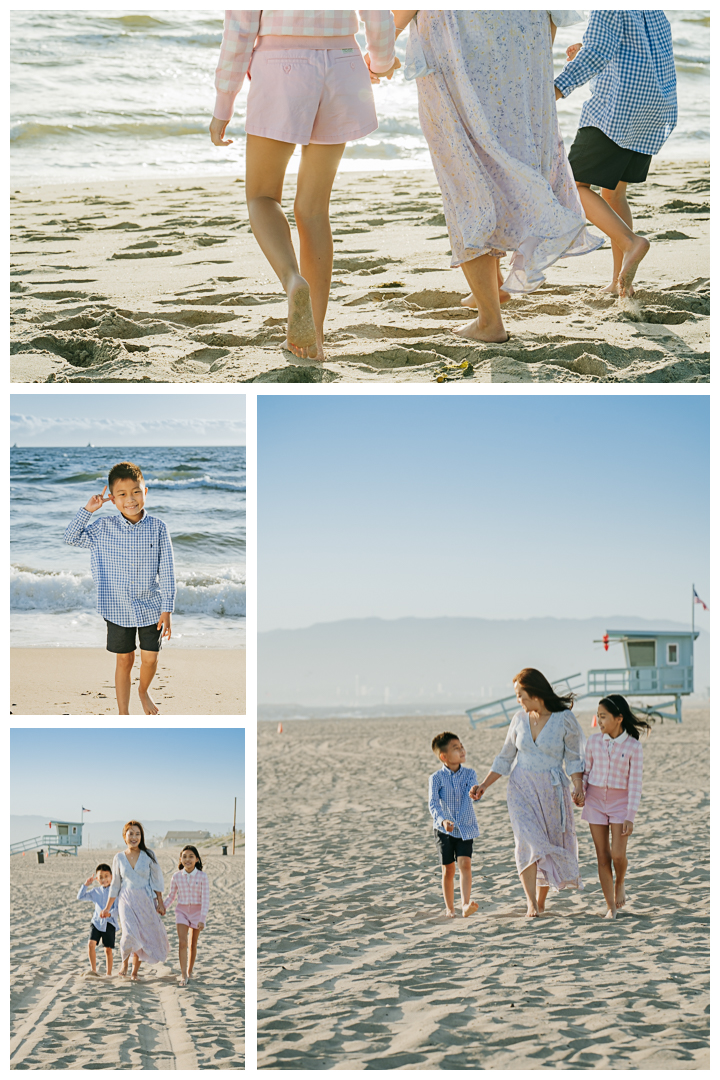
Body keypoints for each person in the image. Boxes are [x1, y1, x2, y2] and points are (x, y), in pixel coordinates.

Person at [389, 10, 602, 343]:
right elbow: (553, 14)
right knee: (506, 156)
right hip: (520, 35)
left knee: (466, 169)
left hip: (457, 38)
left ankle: (490, 320)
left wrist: (382, 44)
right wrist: (533, 63)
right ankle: (493, 287)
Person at [210, 10, 399, 362]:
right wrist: (382, 60)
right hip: (343, 64)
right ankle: (314, 336)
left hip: (282, 67)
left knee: (262, 196)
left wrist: (224, 103)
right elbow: (377, 11)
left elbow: (239, 29)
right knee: (313, 210)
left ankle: (292, 279)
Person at [555, 11, 678, 297]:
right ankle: (620, 283)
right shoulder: (653, 10)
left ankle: (630, 241)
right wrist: (585, 52)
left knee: (572, 186)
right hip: (653, 109)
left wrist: (556, 88)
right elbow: (643, 57)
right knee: (613, 194)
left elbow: (597, 54)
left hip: (617, 111)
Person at [64, 461, 175, 716]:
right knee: (124, 660)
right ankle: (123, 714)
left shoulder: (158, 528)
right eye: (122, 494)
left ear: (145, 492)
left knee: (150, 658)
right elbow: (70, 537)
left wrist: (167, 609)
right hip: (117, 607)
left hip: (151, 606)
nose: (130, 499)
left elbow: (168, 571)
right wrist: (88, 510)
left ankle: (143, 690)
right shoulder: (103, 528)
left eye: (136, 492)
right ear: (112, 499)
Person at [473, 668, 585, 918]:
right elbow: (505, 757)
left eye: (520, 695)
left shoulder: (564, 718)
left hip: (552, 790)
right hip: (521, 788)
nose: (518, 700)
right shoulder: (518, 720)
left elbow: (575, 758)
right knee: (527, 841)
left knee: (548, 842)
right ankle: (531, 903)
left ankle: (542, 901)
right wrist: (484, 785)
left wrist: (578, 785)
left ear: (534, 693)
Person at [577, 695, 648, 919]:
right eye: (597, 716)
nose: (599, 721)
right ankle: (611, 908)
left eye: (604, 716)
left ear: (619, 718)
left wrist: (630, 815)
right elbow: (587, 772)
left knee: (618, 855)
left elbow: (635, 783)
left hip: (620, 804)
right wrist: (581, 792)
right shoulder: (594, 742)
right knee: (602, 856)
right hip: (595, 802)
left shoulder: (634, 747)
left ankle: (621, 881)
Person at [100, 821, 169, 980]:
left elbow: (156, 880)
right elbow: (115, 884)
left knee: (142, 936)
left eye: (137, 834)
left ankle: (134, 972)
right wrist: (107, 908)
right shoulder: (118, 857)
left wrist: (160, 901)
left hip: (145, 899)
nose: (134, 837)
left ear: (141, 836)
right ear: (125, 836)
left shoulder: (149, 855)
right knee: (129, 933)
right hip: (126, 899)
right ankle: (124, 963)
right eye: (130, 833)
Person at [428, 732, 480, 918]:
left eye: (461, 746)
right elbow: (433, 804)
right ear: (444, 756)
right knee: (448, 869)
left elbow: (474, 789)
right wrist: (442, 820)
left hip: (465, 826)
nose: (462, 750)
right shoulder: (436, 778)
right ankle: (450, 908)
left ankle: (465, 904)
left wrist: (475, 791)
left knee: (465, 863)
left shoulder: (470, 773)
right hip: (444, 829)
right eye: (456, 748)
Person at [163, 845, 210, 987]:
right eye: (184, 856)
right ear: (180, 859)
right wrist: (162, 907)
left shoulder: (202, 876)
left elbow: (205, 899)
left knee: (192, 944)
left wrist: (202, 919)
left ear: (197, 859)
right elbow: (171, 896)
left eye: (191, 856)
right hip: (181, 912)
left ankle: (189, 971)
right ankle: (183, 975)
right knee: (182, 942)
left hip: (197, 912)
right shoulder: (176, 876)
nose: (187, 859)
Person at [76, 864, 118, 976]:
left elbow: (118, 910)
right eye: (101, 877)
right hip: (96, 922)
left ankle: (108, 974)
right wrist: (86, 884)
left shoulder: (115, 892)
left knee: (107, 949)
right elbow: (80, 897)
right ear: (97, 879)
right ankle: (93, 970)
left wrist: (109, 914)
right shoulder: (95, 892)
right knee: (91, 944)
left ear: (112, 876)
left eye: (106, 876)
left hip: (109, 923)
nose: (104, 879)